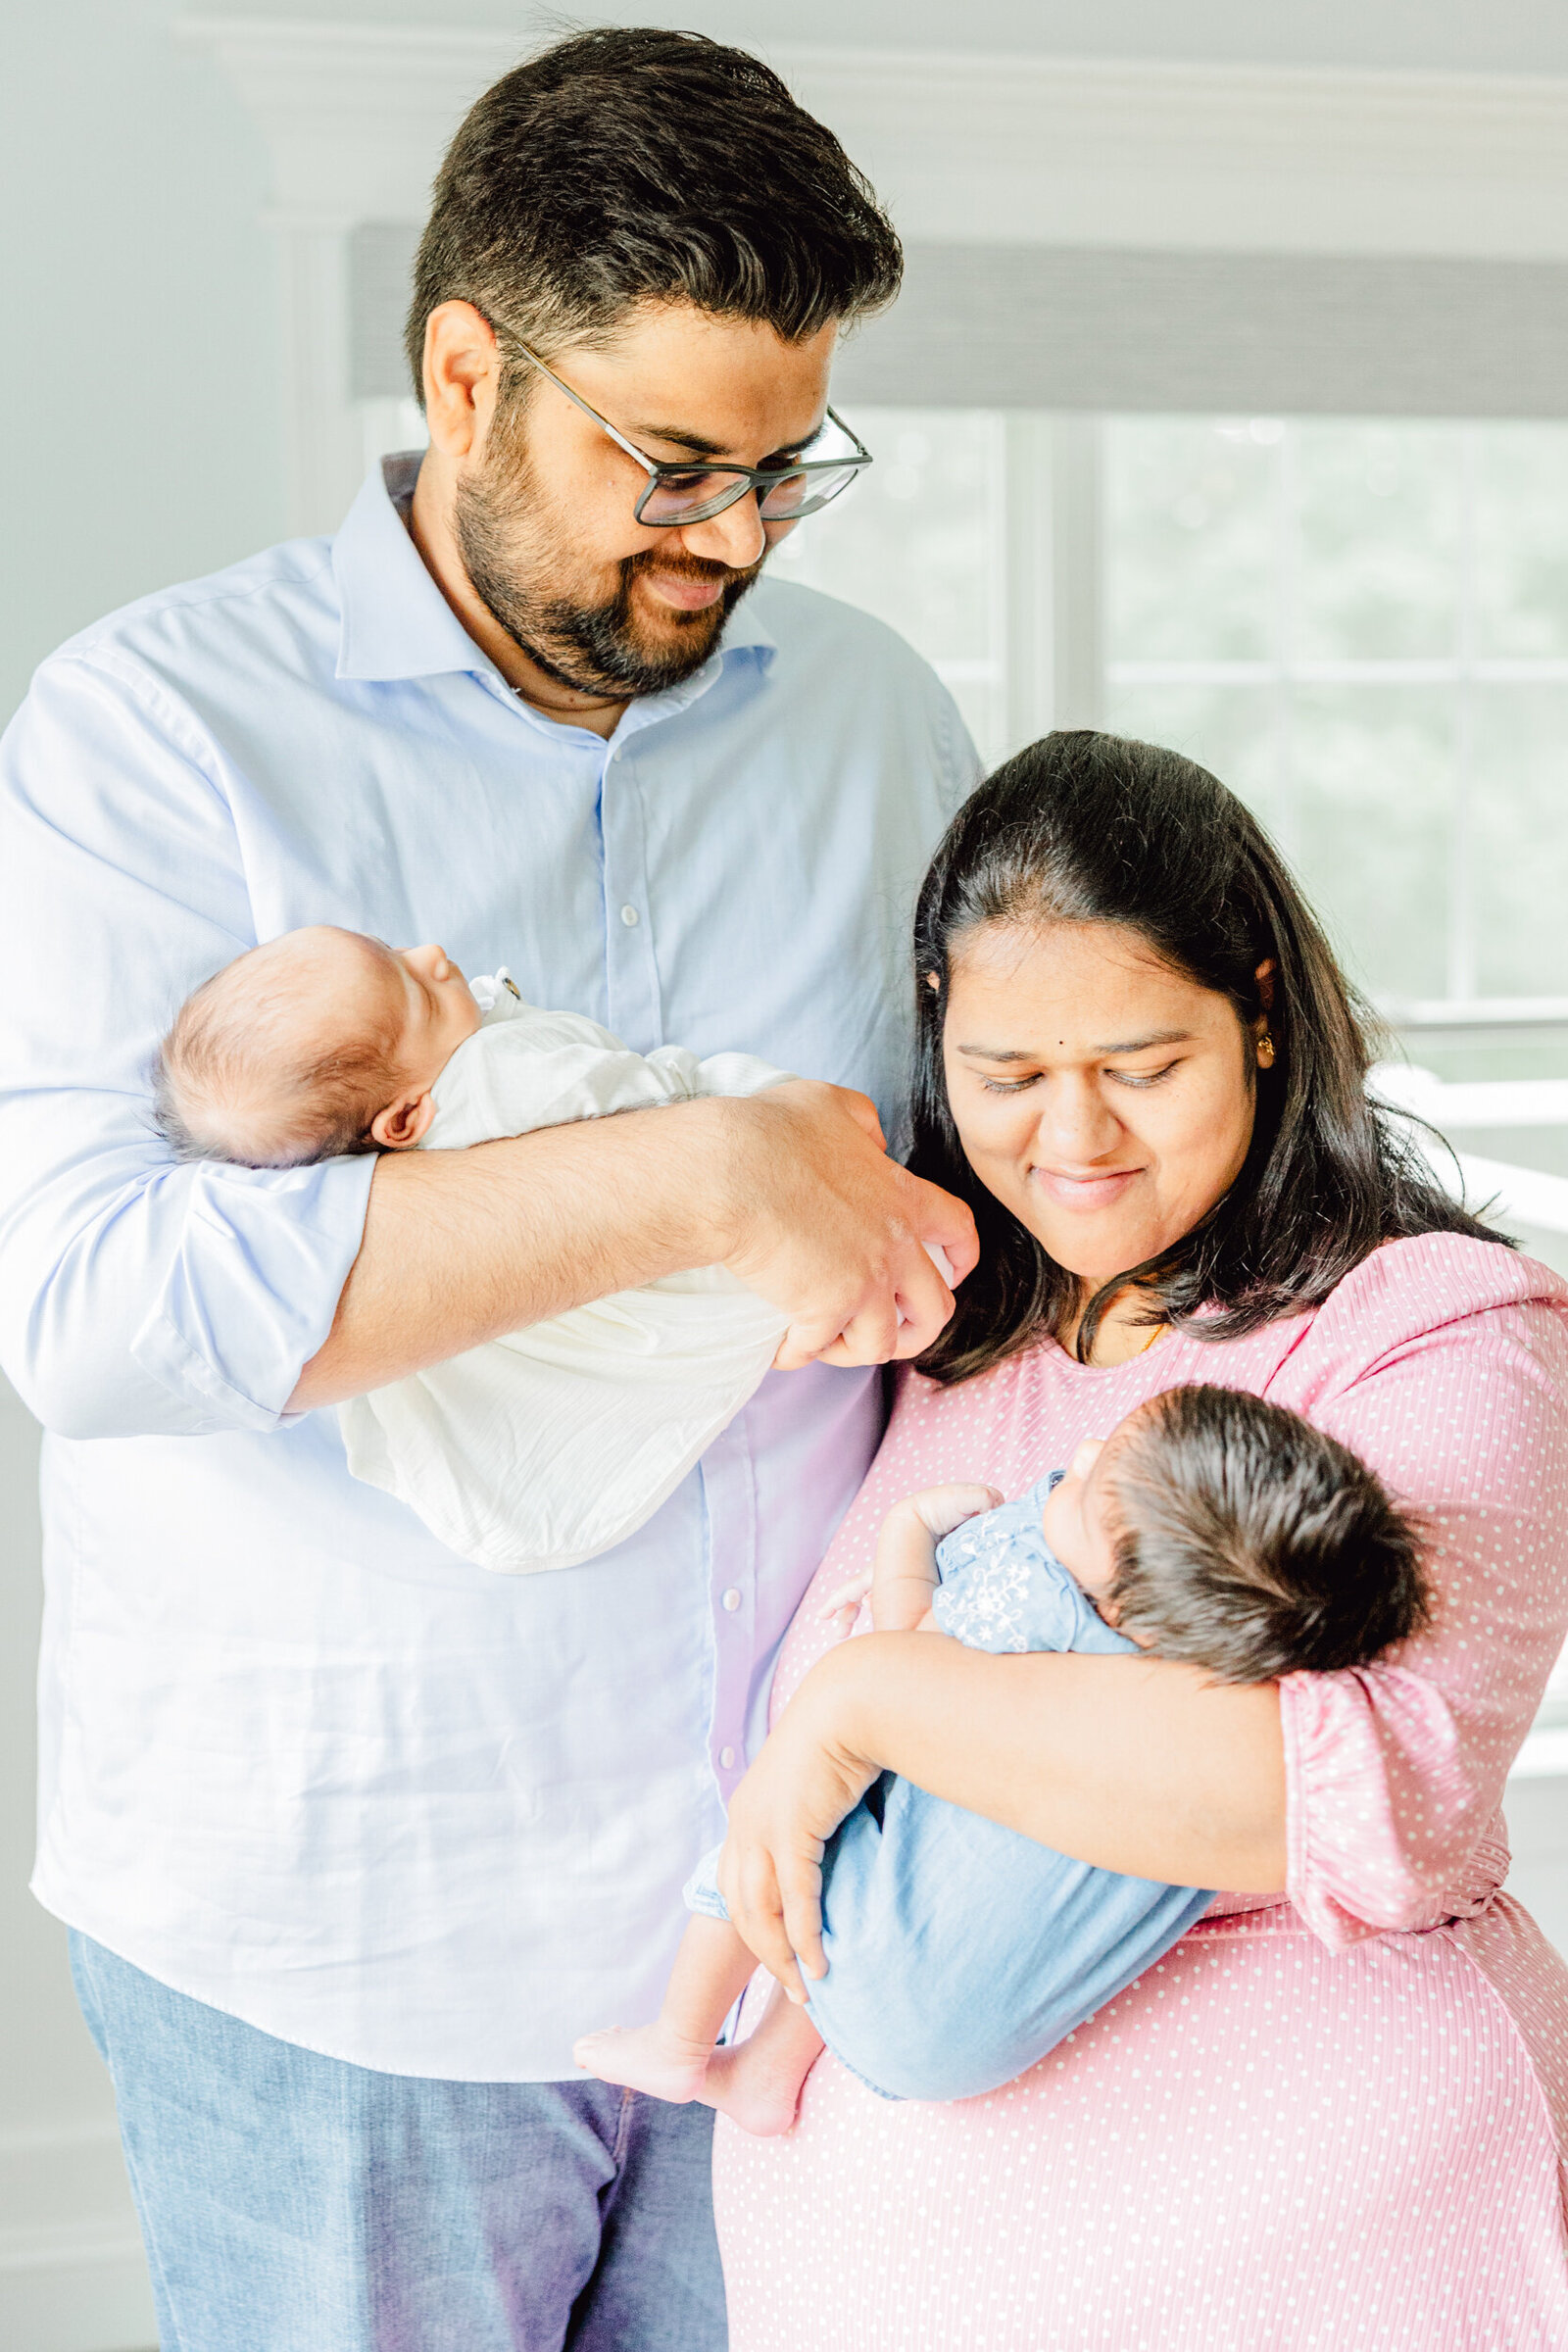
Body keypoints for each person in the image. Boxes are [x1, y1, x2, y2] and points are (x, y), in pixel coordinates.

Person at [0, 29, 982, 2352]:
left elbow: (965, 1196)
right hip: (347, 1941)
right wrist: (691, 1175)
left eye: (782, 467)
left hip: (791, 1925)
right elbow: (93, 1303)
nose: (731, 535)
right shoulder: (155, 729)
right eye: (669, 465)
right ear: (465, 371)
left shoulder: (867, 717)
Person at [710, 730, 1568, 2351]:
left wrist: (875, 1701)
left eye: (1140, 1064)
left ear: (1255, 1011)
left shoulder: (1434, 1329)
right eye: (1009, 1080)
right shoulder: (949, 1343)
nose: (1073, 1137)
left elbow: (1344, 1784)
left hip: (1312, 2275)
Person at [575, 1382, 1427, 2129]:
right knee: (890, 1864)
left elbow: (905, 1652)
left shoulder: (1040, 1596)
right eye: (1112, 1443)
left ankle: (680, 2040)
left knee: (780, 1832)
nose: (1085, 1452)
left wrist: (906, 1536)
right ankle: (767, 2072)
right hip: (965, 2034)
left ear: (1135, 1607)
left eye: (1093, 1490)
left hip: (885, 1971)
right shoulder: (1199, 1695)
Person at [154, 924, 791, 1572]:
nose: (430, 956)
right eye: (419, 995)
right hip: (721, 1251)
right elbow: (679, 1114)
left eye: (391, 949)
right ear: (403, 1120)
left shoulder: (375, 1168)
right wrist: (778, 1100)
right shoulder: (508, 1075)